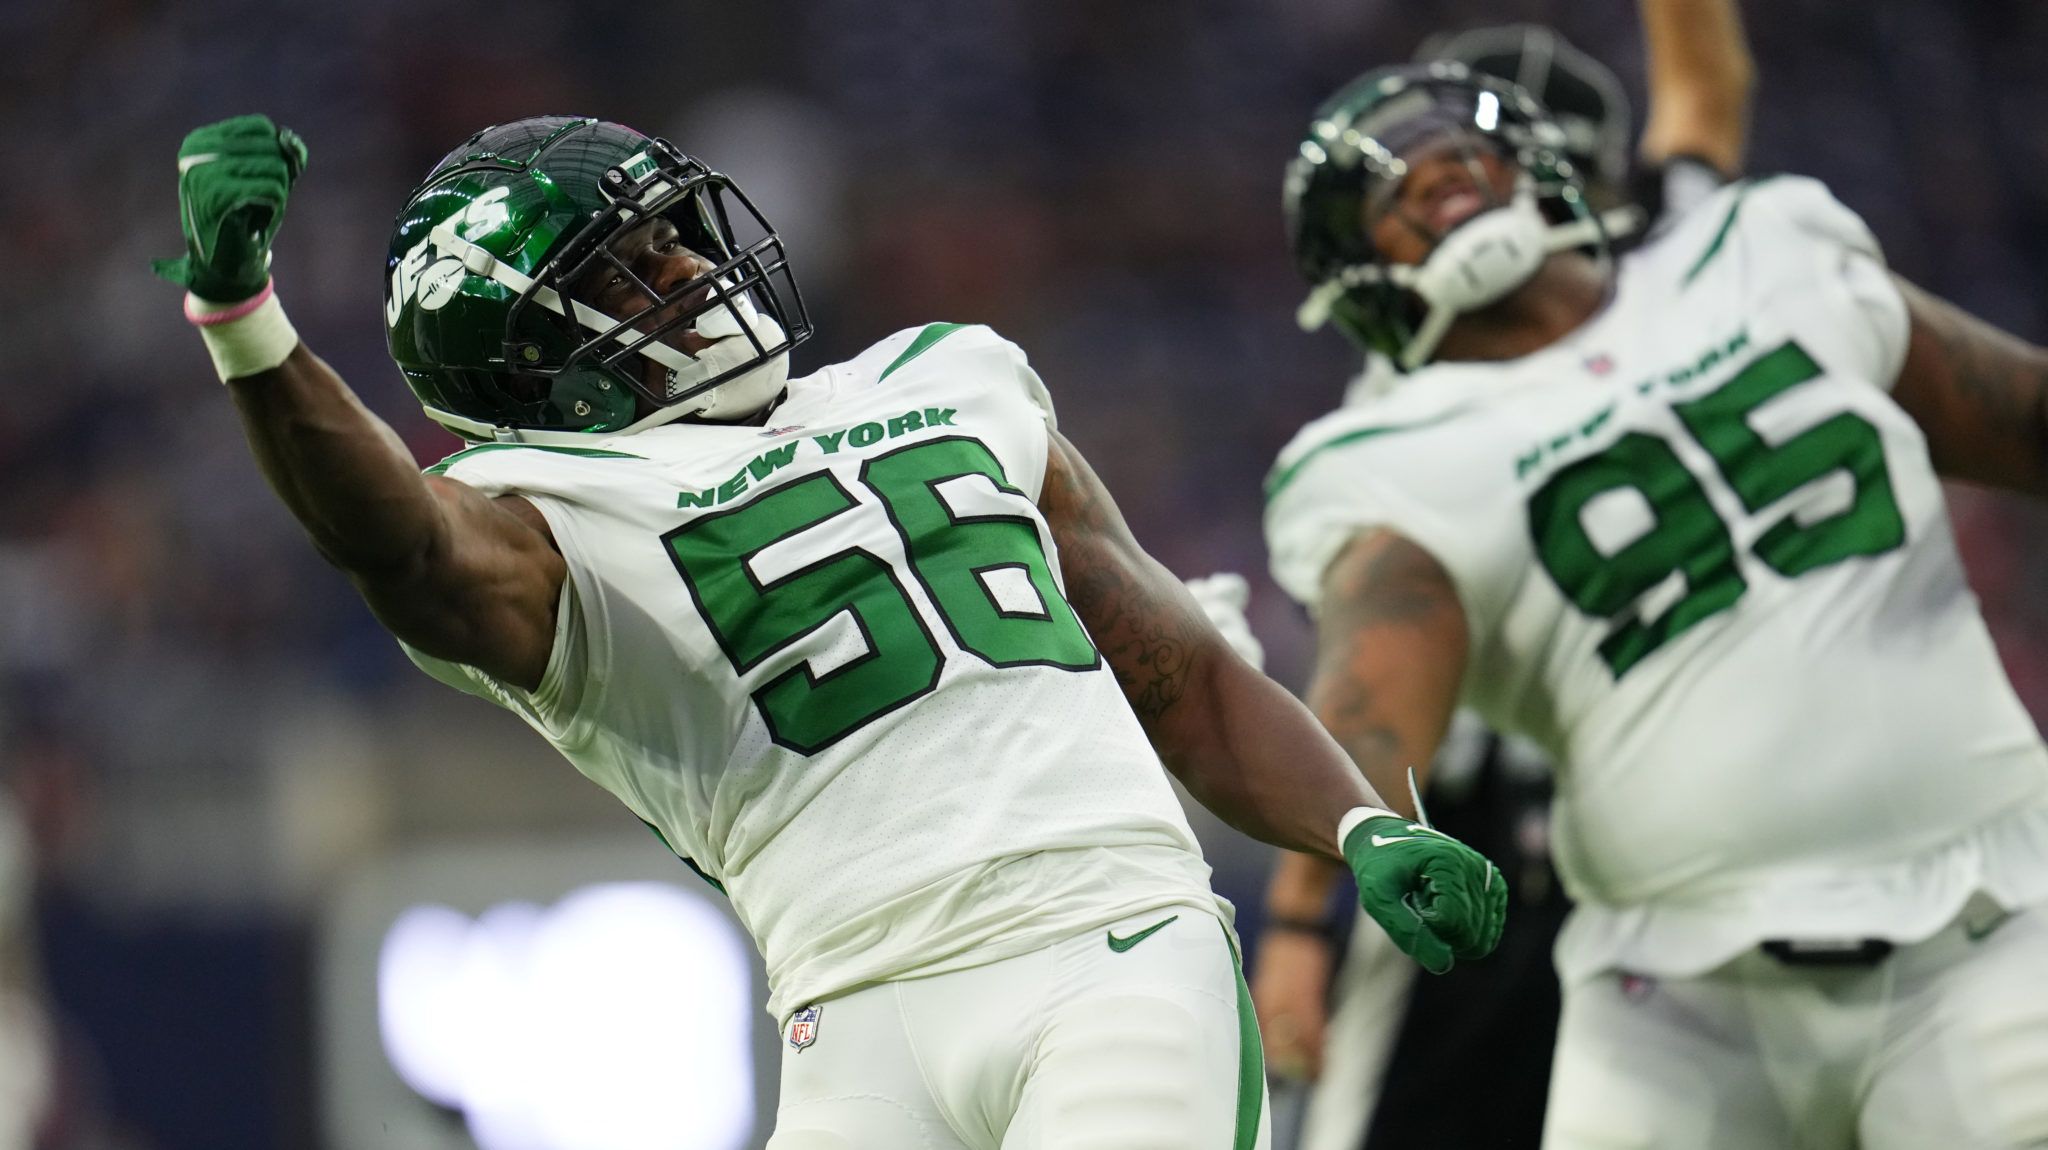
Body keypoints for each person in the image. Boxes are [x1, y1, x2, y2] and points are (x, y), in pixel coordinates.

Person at [151, 114, 1507, 1149]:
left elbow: (1183, 671)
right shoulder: (538, 515)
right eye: (633, 268)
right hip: (847, 1008)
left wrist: (1355, 821)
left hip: (1109, 943)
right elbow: (388, 533)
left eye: (678, 230)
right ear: (530, 362)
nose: (692, 267)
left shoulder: (947, 378)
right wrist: (247, 326)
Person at [1255, 56, 2048, 1149]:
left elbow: (2023, 421)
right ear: (1358, 278)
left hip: (1987, 918)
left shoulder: (1754, 251)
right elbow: (1370, 707)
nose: (1430, 180)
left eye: (1455, 151)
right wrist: (1303, 917)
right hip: (1673, 994)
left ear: (1535, 158)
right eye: (1392, 197)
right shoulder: (1391, 454)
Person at [1237, 6, 1755, 1147]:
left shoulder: (1412, 388)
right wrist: (1298, 923)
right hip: (1504, 841)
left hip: (1652, 841)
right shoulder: (1683, 271)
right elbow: (1373, 709)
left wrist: (1295, 928)